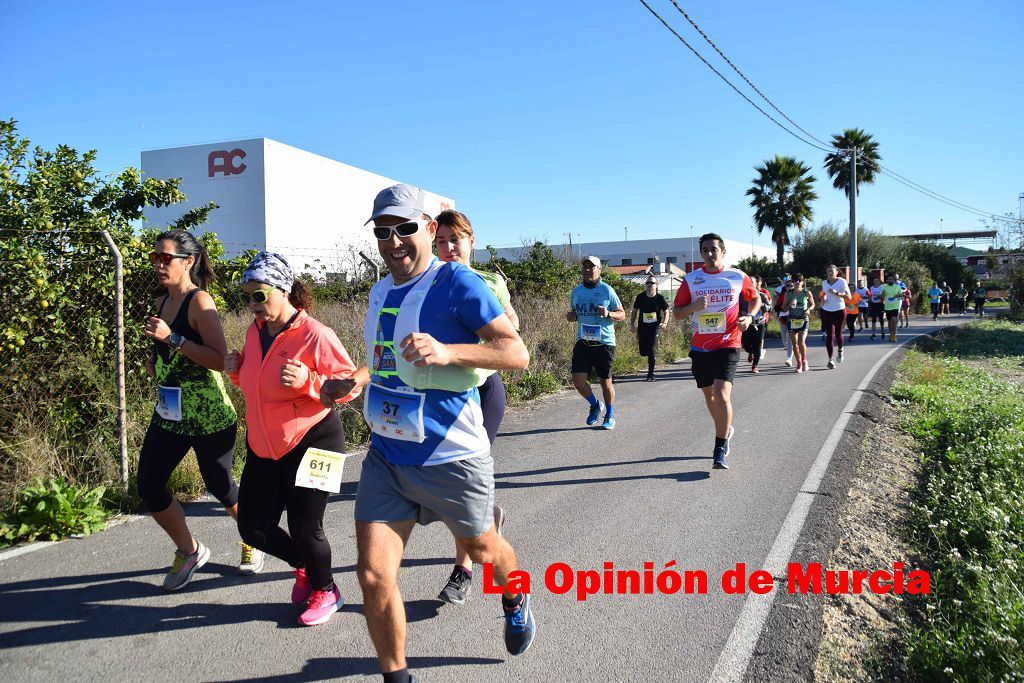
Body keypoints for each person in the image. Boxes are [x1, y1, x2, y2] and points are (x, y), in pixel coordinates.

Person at [333, 184, 535, 683]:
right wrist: (357, 379)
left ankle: (515, 593)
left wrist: (449, 351)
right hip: (387, 457)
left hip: (452, 457)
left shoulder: (459, 283)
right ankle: (397, 677)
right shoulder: (381, 290)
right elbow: (385, 358)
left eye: (404, 228)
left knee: (486, 550)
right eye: (383, 231)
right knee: (374, 577)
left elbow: (516, 354)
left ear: (427, 228)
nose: (393, 240)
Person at [227, 252, 360, 627]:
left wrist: (309, 381)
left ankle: (327, 589)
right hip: (265, 443)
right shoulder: (256, 332)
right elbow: (260, 385)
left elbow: (349, 386)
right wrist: (238, 373)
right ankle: (303, 564)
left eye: (260, 294)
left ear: (283, 290)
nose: (253, 304)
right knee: (252, 527)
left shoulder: (316, 335)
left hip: (318, 438)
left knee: (305, 527)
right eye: (247, 296)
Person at [138, 229, 256, 591]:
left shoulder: (199, 301)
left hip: (208, 416)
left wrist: (172, 338)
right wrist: (156, 364)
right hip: (170, 414)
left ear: (187, 261)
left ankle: (253, 539)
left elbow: (221, 360)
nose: (158, 264)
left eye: (165, 258)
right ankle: (189, 551)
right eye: (155, 257)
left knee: (221, 487)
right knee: (149, 486)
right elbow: (172, 358)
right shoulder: (162, 302)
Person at [433, 209, 517, 606]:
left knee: (463, 482)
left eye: (456, 239)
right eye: (442, 240)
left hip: (483, 392)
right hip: (441, 397)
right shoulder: (425, 283)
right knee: (451, 485)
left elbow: (512, 337)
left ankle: (462, 571)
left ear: (471, 242)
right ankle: (489, 521)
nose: (449, 247)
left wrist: (460, 352)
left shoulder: (488, 282)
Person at [673, 233, 760, 469]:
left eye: (713, 249)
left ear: (723, 252)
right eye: (705, 250)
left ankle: (719, 448)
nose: (709, 254)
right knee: (709, 395)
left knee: (722, 394)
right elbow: (677, 312)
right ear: (701, 254)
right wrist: (693, 306)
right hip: (700, 347)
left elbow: (756, 299)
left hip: (729, 342)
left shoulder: (737, 276)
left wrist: (749, 317)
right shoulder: (691, 279)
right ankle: (726, 428)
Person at [568, 256, 625, 429]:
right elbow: (574, 313)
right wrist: (572, 316)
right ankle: (594, 405)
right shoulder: (576, 292)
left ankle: (610, 414)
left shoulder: (607, 290)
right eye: (585, 266)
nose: (587, 269)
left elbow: (622, 314)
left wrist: (609, 313)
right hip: (583, 341)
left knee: (605, 382)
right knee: (578, 381)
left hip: (604, 343)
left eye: (592, 267)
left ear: (599, 270)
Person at [630, 274, 669, 381]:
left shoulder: (660, 298)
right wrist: (632, 324)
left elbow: (666, 312)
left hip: (655, 327)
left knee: (651, 349)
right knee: (643, 351)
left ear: (657, 285)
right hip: (643, 327)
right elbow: (634, 311)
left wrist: (664, 323)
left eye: (651, 283)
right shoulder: (640, 297)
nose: (649, 285)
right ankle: (650, 356)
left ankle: (650, 374)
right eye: (647, 283)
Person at [781, 273, 814, 373]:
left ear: (802, 282)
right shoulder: (788, 293)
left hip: (803, 319)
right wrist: (789, 305)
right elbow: (783, 307)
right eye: (795, 280)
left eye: (799, 280)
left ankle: (804, 360)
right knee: (794, 343)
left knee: (801, 341)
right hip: (792, 319)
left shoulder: (806, 293)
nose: (797, 282)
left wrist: (809, 309)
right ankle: (798, 363)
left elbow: (813, 304)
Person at [819, 265, 850, 369]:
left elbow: (848, 296)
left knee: (838, 333)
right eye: (828, 271)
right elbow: (823, 299)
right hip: (827, 311)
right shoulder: (824, 283)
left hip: (839, 310)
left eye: (831, 271)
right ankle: (830, 359)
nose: (830, 273)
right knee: (829, 335)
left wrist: (836, 293)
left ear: (836, 272)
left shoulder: (842, 281)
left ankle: (840, 350)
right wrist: (823, 298)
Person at [741, 275, 772, 373]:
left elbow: (770, 307)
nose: (750, 285)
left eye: (752, 283)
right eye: (748, 283)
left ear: (755, 284)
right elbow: (737, 308)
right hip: (747, 324)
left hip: (760, 323)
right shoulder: (741, 296)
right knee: (745, 345)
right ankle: (751, 352)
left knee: (758, 345)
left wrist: (762, 306)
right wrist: (742, 313)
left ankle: (755, 366)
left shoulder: (762, 295)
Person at [774, 274, 795, 365]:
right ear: (785, 286)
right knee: (784, 337)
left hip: (794, 318)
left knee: (789, 337)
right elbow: (777, 306)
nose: (789, 287)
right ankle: (787, 347)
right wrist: (780, 310)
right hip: (783, 317)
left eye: (791, 285)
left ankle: (789, 358)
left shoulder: (797, 294)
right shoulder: (782, 294)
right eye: (787, 285)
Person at [881, 274, 903, 341]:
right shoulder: (884, 287)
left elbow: (901, 295)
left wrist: (898, 295)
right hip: (887, 307)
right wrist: (882, 294)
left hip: (895, 306)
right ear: (887, 280)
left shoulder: (897, 287)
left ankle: (894, 335)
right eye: (889, 279)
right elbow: (882, 297)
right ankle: (891, 334)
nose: (890, 280)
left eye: (891, 279)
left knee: (894, 320)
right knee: (890, 322)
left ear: (894, 280)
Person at [868, 276, 885, 340]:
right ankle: (873, 333)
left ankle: (882, 332)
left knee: (881, 319)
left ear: (879, 282)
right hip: (873, 304)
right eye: (875, 281)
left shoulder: (882, 287)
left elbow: (883, 295)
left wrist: (878, 295)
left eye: (877, 281)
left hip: (880, 304)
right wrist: (868, 300)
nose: (876, 282)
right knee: (874, 318)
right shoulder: (871, 288)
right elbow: (871, 295)